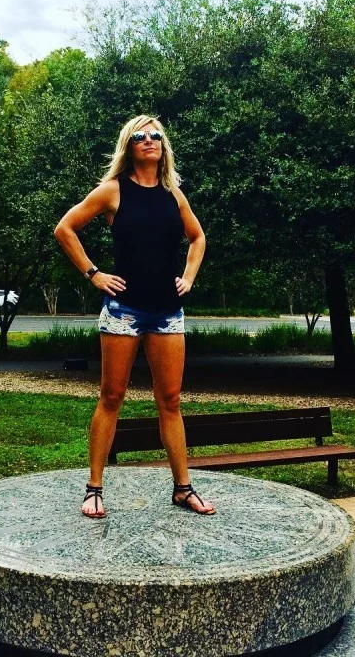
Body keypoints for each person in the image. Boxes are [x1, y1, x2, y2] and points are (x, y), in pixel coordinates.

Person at [54, 115, 215, 519]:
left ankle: (183, 488)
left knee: (171, 401)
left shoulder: (173, 195)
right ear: (129, 146)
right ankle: (94, 487)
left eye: (156, 135)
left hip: (167, 313)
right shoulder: (112, 191)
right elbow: (65, 228)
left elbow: (197, 237)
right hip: (123, 312)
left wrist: (189, 277)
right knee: (112, 397)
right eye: (140, 136)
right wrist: (94, 274)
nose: (150, 140)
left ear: (163, 146)